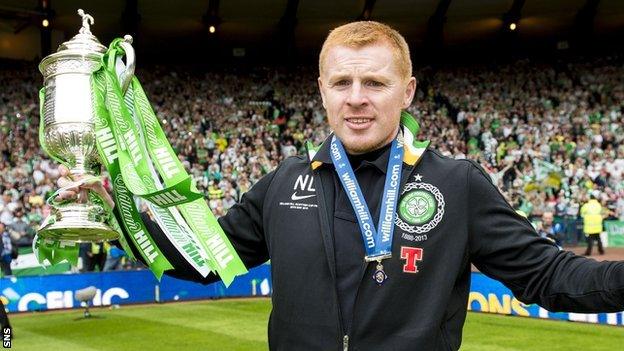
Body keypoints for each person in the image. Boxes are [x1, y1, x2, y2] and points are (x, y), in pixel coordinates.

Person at [54, 22, 624, 351]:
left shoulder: (457, 183)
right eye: (342, 82)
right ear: (322, 91)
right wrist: (118, 207)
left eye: (375, 82)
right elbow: (205, 260)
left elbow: (551, 276)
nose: (357, 97)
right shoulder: (283, 182)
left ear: (408, 93)